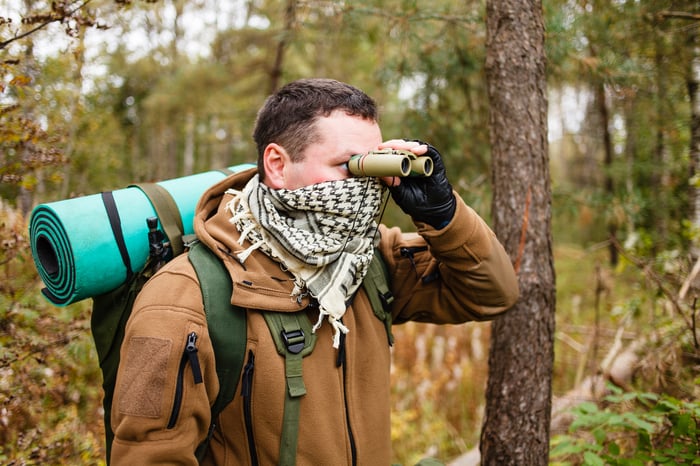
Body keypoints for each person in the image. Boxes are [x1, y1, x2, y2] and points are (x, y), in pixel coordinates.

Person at [110, 78, 519, 465]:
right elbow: (148, 454)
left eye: (373, 167)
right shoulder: (183, 298)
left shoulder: (367, 259)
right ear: (277, 165)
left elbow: (492, 292)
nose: (365, 186)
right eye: (349, 166)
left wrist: (444, 213)